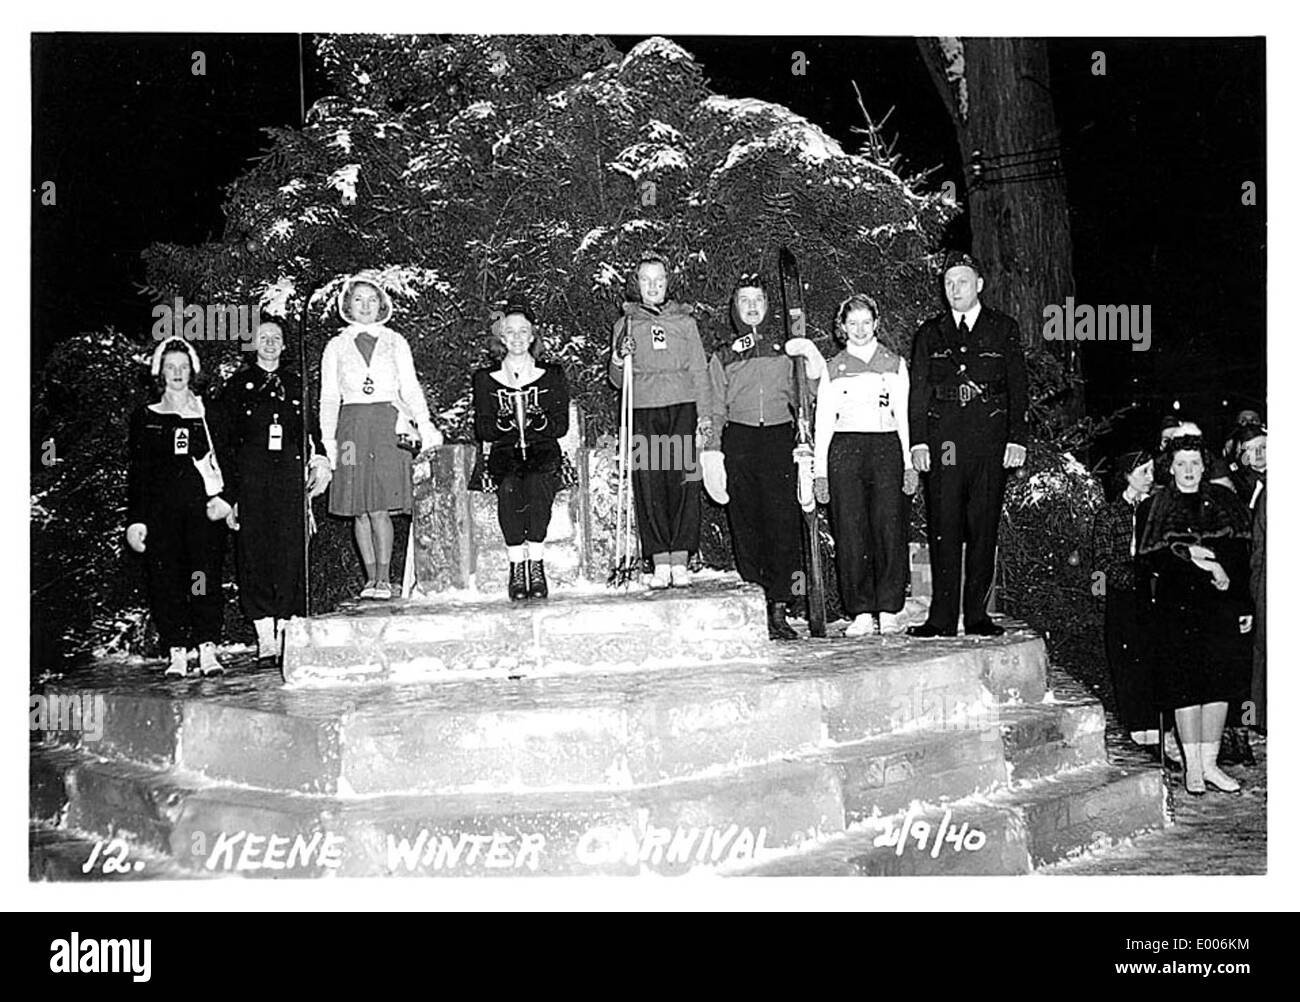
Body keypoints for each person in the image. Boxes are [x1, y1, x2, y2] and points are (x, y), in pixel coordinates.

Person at [906, 252, 1028, 637]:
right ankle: (941, 618)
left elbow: (1018, 387)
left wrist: (1017, 439)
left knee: (983, 527)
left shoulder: (1003, 328)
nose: (954, 289)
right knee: (944, 525)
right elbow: (919, 390)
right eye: (948, 283)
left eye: (962, 281)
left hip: (989, 440)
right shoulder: (931, 332)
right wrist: (918, 443)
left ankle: (976, 615)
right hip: (945, 442)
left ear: (979, 284)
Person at [699, 272, 825, 639]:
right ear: (734, 308)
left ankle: (779, 607)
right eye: (744, 300)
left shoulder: (785, 349)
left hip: (778, 439)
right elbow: (715, 405)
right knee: (747, 522)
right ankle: (755, 598)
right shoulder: (723, 354)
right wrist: (713, 452)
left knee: (781, 523)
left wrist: (812, 360)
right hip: (739, 440)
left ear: (768, 307)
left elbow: (809, 394)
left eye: (758, 300)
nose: (752, 306)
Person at [1136, 435, 1254, 795]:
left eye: (1195, 463)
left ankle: (1210, 765)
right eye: (1181, 463)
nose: (1188, 471)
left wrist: (1240, 601)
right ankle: (1192, 769)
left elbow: (1240, 556)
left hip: (1220, 606)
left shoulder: (1225, 501)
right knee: (1186, 686)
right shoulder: (1155, 506)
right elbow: (1156, 558)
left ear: (1205, 466)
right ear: (1170, 467)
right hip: (1178, 608)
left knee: (1218, 685)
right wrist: (1203, 562)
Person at [320, 275, 442, 601]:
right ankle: (370, 577)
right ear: (347, 305)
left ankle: (386, 578)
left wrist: (426, 426)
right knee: (357, 506)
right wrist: (329, 444)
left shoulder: (394, 341)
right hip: (349, 430)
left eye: (371, 300)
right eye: (358, 300)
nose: (365, 306)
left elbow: (411, 387)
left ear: (381, 304)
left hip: (387, 425)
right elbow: (329, 398)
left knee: (380, 506)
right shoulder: (336, 346)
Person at [217, 321, 331, 662]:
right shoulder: (236, 387)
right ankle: (265, 637)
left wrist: (320, 461)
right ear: (252, 345)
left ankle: (287, 631)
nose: (269, 343)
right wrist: (230, 495)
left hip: (288, 478)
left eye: (276, 339)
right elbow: (224, 445)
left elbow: (311, 430)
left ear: (284, 346)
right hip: (250, 480)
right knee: (254, 555)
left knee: (291, 553)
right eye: (262, 338)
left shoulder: (297, 386)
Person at [125, 337, 233, 677]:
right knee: (167, 581)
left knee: (202, 577)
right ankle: (176, 651)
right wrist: (136, 520)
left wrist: (226, 501)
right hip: (162, 515)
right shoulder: (145, 417)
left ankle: (207, 647)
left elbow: (228, 461)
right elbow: (139, 472)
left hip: (203, 513)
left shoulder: (208, 413)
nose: (177, 373)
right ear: (160, 372)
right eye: (170, 367)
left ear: (193, 371)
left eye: (183, 367)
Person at [811, 294, 918, 636]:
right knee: (851, 529)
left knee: (889, 526)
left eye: (866, 322)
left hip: (886, 447)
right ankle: (858, 611)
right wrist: (820, 472)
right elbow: (823, 422)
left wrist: (908, 463)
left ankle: (888, 608)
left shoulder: (895, 364)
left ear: (876, 323)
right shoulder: (833, 369)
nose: (859, 330)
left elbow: (904, 416)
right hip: (845, 450)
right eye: (852, 323)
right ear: (842, 327)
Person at [608, 251, 712, 588]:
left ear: (668, 283)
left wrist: (704, 415)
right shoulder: (626, 324)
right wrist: (618, 357)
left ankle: (680, 556)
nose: (653, 286)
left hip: (681, 405)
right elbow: (616, 379)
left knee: (682, 480)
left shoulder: (684, 322)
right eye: (646, 280)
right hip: (643, 408)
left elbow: (699, 369)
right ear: (636, 284)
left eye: (659, 280)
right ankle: (659, 560)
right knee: (650, 482)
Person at [472, 297, 571, 600]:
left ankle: (537, 563)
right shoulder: (486, 379)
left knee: (539, 484)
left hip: (543, 451)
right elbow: (484, 429)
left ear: (532, 336)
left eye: (523, 331)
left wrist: (536, 421)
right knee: (512, 488)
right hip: (506, 454)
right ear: (501, 337)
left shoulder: (551, 375)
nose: (517, 338)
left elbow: (560, 426)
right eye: (510, 332)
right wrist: (507, 424)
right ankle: (517, 566)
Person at [1090, 450, 1159, 751]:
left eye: (1152, 471)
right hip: (1125, 597)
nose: (1151, 477)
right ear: (1127, 475)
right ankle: (1136, 728)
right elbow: (1103, 561)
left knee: (1153, 662)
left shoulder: (1159, 509)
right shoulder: (1109, 514)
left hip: (1155, 596)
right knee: (1128, 663)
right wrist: (1135, 581)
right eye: (1144, 471)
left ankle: (1156, 731)